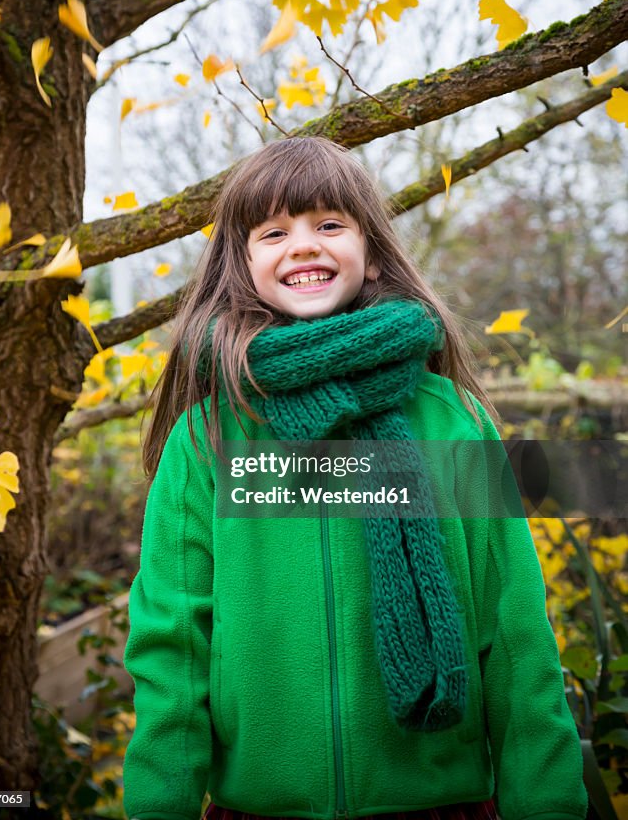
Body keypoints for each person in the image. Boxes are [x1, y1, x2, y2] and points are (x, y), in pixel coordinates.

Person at [123, 137, 587, 820]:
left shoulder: (452, 423)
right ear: (243, 264)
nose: (303, 245)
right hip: (256, 808)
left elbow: (515, 632)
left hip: (443, 806)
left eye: (329, 225)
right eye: (274, 231)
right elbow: (173, 645)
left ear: (370, 256)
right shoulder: (208, 440)